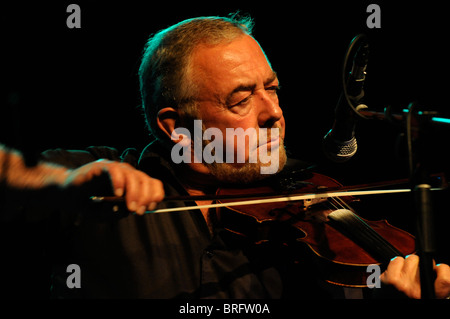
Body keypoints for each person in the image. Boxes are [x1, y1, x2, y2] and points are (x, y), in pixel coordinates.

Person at [6, 14, 449, 299]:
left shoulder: (318, 236)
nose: (273, 113)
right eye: (242, 100)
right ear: (176, 127)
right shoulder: (103, 181)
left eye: (272, 90)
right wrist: (56, 184)